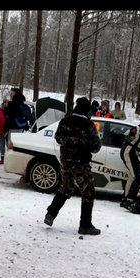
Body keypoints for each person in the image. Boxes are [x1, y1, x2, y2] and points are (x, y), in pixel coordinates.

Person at [44, 97, 102, 235]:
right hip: (81, 163)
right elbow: (96, 146)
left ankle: (50, 214)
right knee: (88, 192)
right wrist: (83, 144)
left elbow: (58, 138)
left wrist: (70, 142)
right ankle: (85, 225)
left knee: (66, 188)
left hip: (65, 161)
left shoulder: (64, 121)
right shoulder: (88, 125)